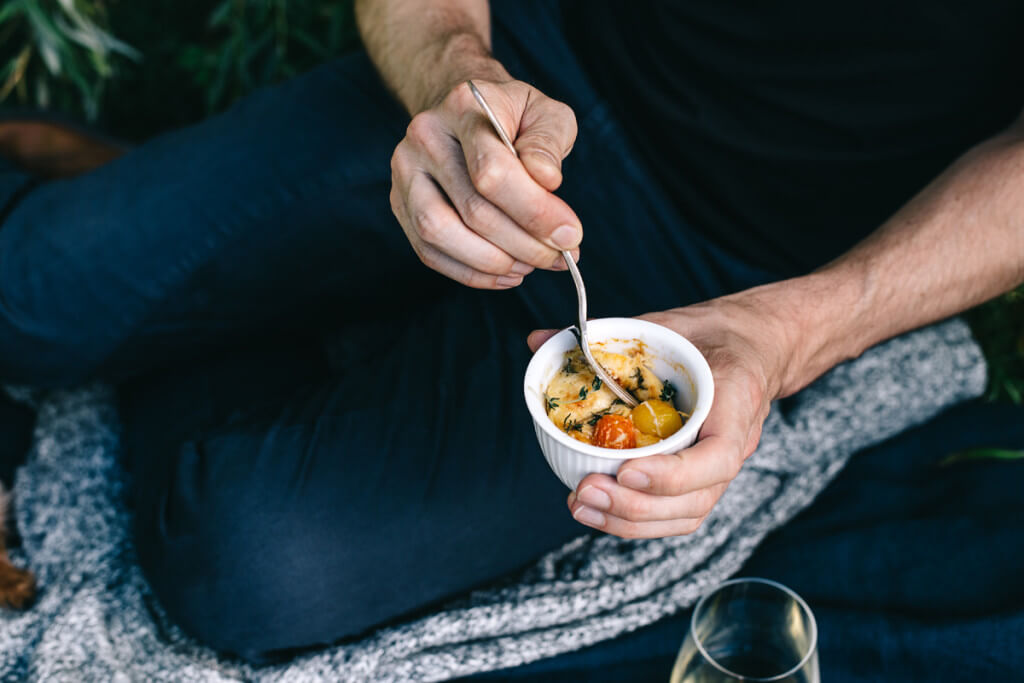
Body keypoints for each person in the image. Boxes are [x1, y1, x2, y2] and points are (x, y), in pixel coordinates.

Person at [0, 0, 1021, 671]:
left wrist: (797, 330)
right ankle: (212, 277)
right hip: (509, 93)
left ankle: (238, 288)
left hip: (735, 270)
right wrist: (449, 75)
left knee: (248, 567)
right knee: (25, 298)